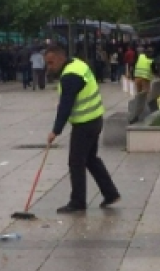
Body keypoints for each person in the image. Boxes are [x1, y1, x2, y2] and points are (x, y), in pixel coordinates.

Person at [44, 43, 120, 213]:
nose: (49, 67)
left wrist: (55, 131)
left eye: (51, 62)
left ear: (60, 58)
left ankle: (78, 201)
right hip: (95, 118)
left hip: (85, 123)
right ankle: (111, 193)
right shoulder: (78, 65)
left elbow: (66, 106)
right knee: (91, 159)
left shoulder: (70, 75)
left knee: (76, 162)